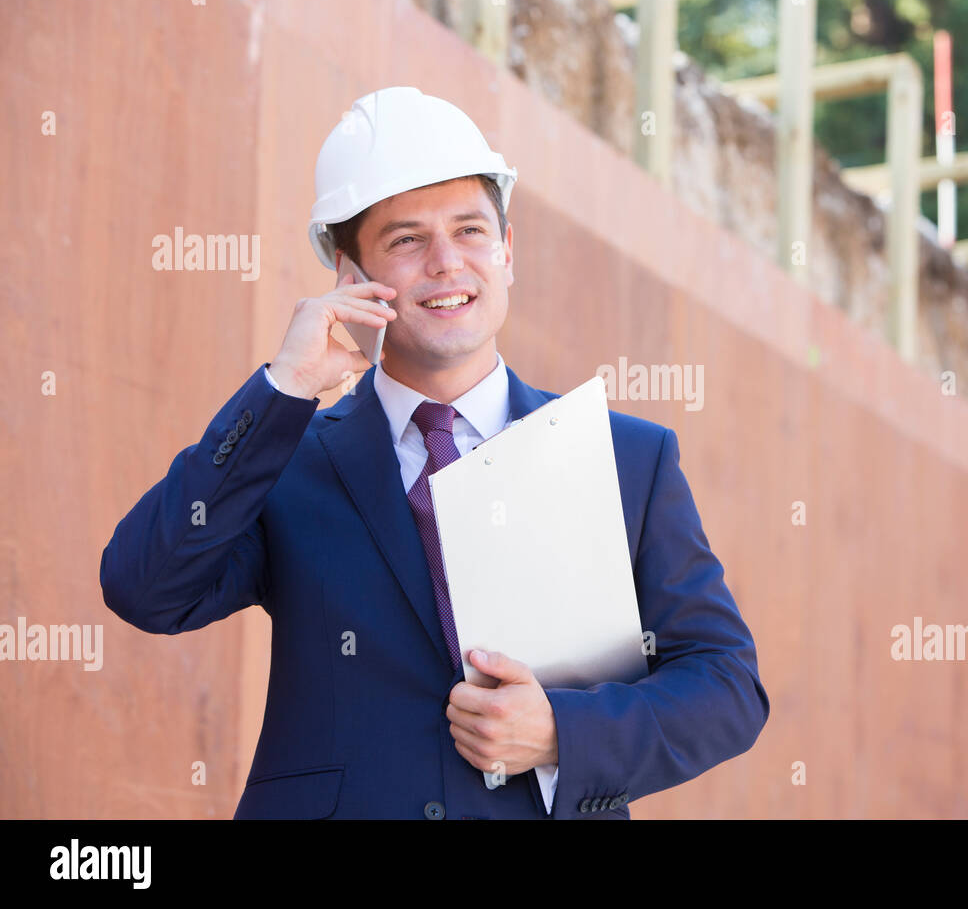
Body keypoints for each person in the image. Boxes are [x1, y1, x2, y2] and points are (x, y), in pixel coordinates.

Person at [100, 86, 769, 819]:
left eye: (472, 231)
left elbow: (726, 685)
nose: (448, 263)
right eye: (407, 240)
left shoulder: (625, 458)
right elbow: (144, 588)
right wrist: (283, 389)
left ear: (507, 252)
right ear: (352, 278)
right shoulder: (284, 463)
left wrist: (561, 732)